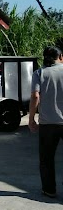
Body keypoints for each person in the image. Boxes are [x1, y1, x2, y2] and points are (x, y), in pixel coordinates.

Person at [28, 46, 63, 199]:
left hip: (47, 124)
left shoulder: (39, 73)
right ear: (60, 57)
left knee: (47, 158)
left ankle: (49, 190)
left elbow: (35, 96)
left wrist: (31, 119)